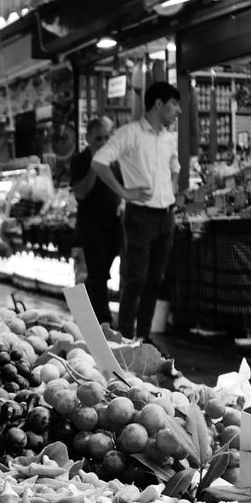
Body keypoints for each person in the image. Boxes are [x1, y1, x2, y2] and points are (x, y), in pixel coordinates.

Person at [90, 82, 182, 345]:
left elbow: (175, 166)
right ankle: (126, 337)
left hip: (167, 215)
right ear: (158, 104)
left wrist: (171, 190)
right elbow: (99, 161)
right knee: (136, 279)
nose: (178, 111)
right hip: (140, 216)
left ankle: (143, 335)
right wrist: (124, 192)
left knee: (156, 279)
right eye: (174, 104)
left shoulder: (168, 137)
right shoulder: (129, 133)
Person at [69, 116, 123, 327]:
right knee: (98, 272)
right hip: (91, 223)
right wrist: (95, 165)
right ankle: (104, 321)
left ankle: (84, 305)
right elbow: (81, 193)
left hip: (114, 222)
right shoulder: (80, 161)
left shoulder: (117, 159)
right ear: (89, 139)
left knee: (102, 271)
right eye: (99, 138)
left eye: (108, 137)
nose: (104, 142)